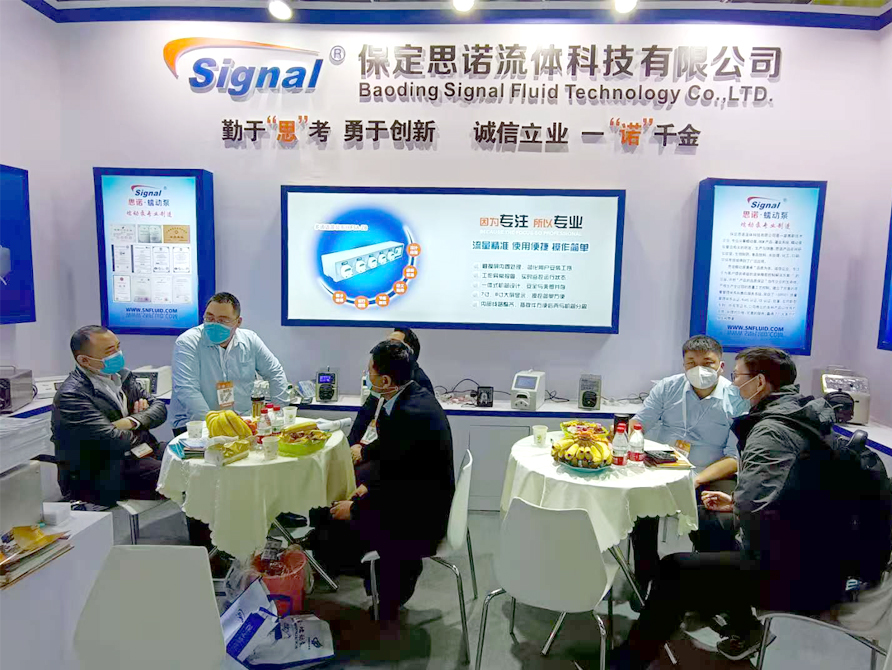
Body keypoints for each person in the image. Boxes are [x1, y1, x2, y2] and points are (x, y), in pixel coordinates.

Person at [610, 347, 852, 668]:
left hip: (799, 570)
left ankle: (627, 662)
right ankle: (718, 612)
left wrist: (740, 506)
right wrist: (737, 502)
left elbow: (755, 509)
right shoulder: (800, 414)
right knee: (697, 532)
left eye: (737, 376)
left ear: (759, 382)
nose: (733, 382)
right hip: (819, 551)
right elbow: (780, 493)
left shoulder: (771, 430)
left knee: (676, 568)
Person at [308, 340, 454, 621]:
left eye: (370, 372)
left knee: (329, 530)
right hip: (420, 498)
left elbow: (401, 487)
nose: (367, 376)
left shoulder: (407, 414)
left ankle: (388, 594)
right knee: (334, 511)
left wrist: (356, 509)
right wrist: (368, 487)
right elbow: (398, 464)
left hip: (418, 518)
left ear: (385, 380)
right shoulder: (412, 397)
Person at [630, 335, 740, 594]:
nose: (699, 369)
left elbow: (734, 458)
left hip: (711, 473)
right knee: (639, 506)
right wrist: (628, 439)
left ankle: (706, 581)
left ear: (721, 366)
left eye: (707, 363)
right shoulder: (668, 387)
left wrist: (697, 480)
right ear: (683, 365)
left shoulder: (736, 398)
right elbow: (639, 423)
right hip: (663, 467)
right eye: (691, 363)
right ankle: (646, 576)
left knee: (715, 521)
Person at [52, 326, 168, 507]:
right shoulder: (72, 396)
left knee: (195, 457)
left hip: (138, 452)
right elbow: (114, 440)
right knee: (184, 475)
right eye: (109, 351)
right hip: (104, 472)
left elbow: (159, 409)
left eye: (118, 347)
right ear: (84, 360)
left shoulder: (123, 377)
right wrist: (142, 423)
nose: (117, 354)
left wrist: (131, 421)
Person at [170, 292, 288, 435]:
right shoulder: (188, 343)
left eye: (222, 320)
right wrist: (214, 427)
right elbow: (188, 390)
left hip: (240, 422)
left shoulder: (249, 340)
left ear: (238, 322)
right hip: (195, 425)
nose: (214, 324)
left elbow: (275, 372)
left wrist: (278, 416)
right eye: (209, 318)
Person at [348, 327, 435, 474]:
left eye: (393, 344)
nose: (386, 346)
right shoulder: (385, 385)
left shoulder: (416, 394)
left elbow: (397, 441)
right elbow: (364, 416)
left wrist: (363, 453)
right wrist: (349, 446)